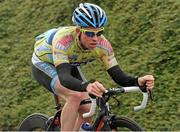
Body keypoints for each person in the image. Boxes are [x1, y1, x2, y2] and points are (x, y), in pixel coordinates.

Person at [31, 2, 155, 131]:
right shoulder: (64, 40)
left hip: (69, 63)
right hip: (44, 63)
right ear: (78, 31)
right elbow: (64, 77)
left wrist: (137, 80)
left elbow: (118, 76)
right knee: (75, 96)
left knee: (87, 105)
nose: (95, 38)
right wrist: (87, 86)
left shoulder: (103, 45)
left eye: (99, 32)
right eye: (90, 34)